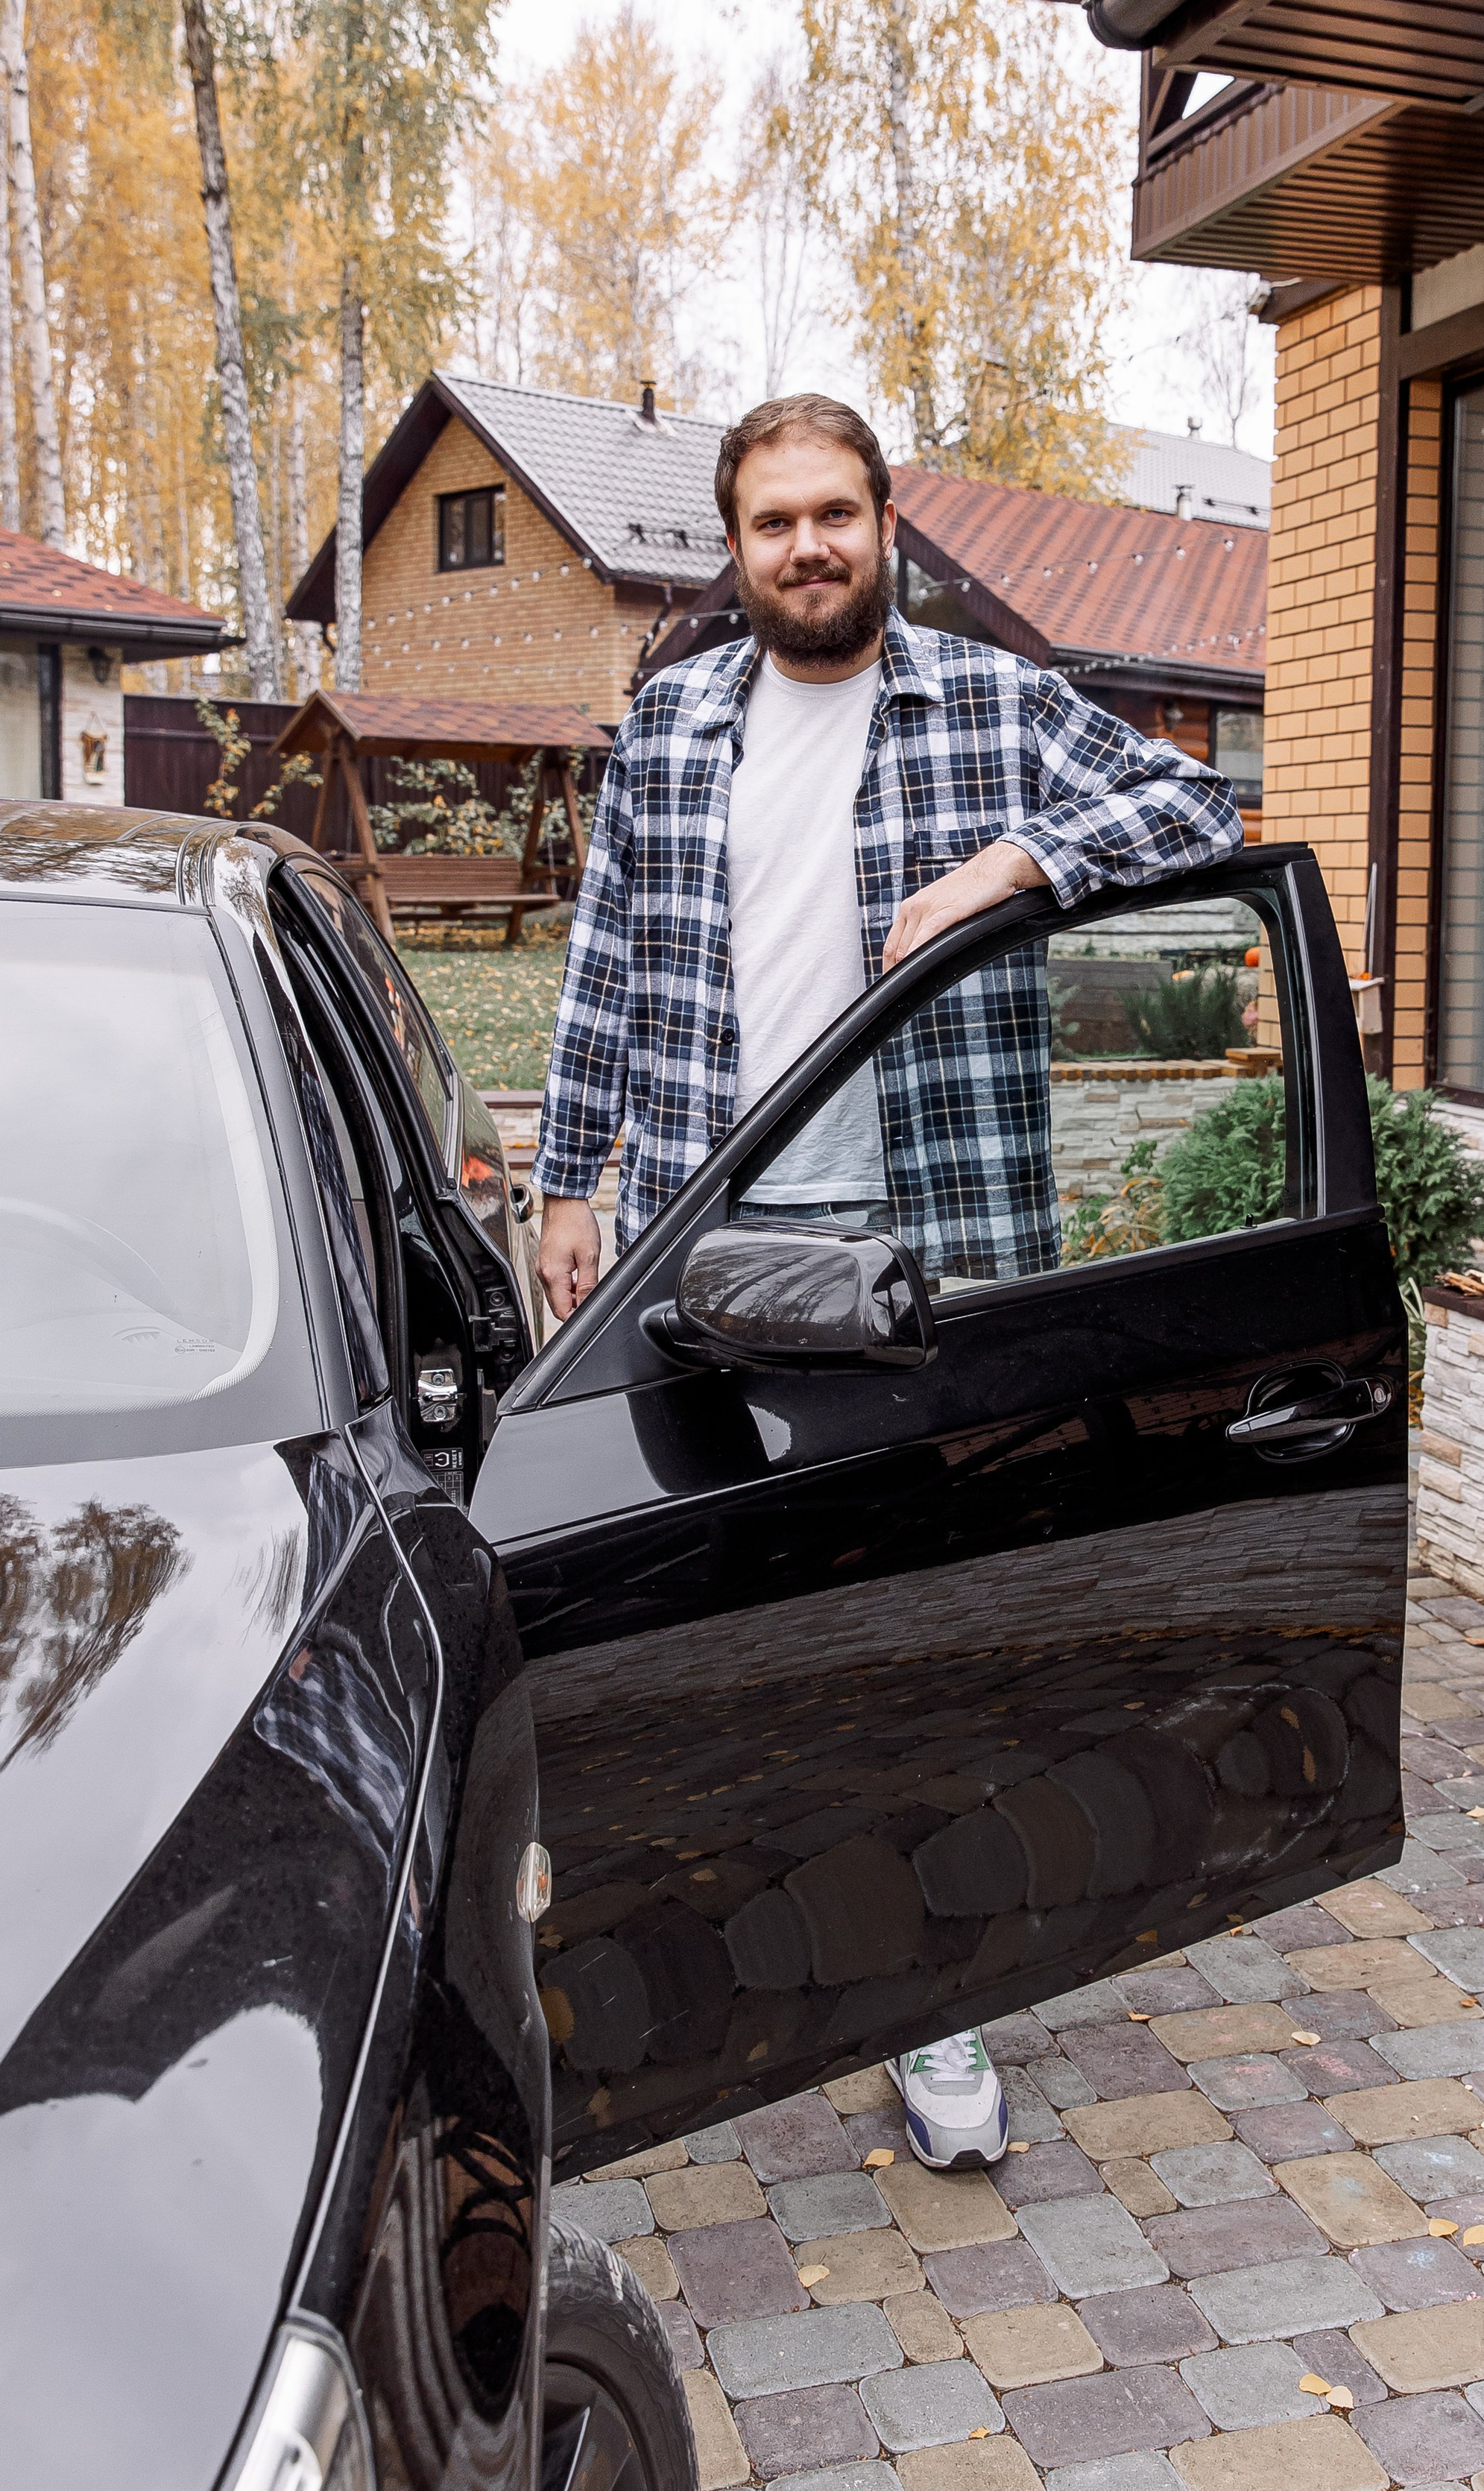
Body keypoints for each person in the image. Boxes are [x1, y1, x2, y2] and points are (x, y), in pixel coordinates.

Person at [532, 391, 1242, 2169]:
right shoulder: (679, 718)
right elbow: (608, 961)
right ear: (734, 545)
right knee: (722, 1617)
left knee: (933, 1625)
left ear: (885, 524)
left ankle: (939, 2012)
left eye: (834, 512)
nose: (808, 547)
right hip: (711, 1241)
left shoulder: (989, 707)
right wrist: (563, 1180)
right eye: (773, 522)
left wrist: (1019, 862)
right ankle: (714, 1954)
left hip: (931, 1245)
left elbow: (1199, 800)